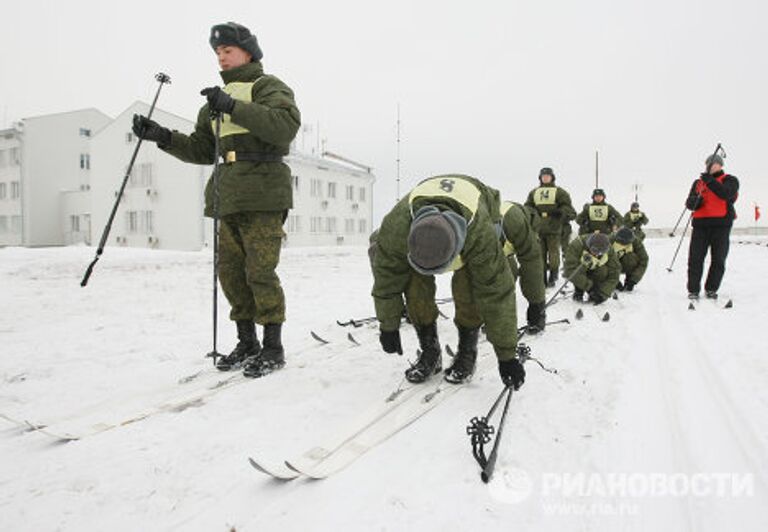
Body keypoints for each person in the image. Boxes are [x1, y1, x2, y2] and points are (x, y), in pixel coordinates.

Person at [132, 22, 301, 378]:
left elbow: (284, 125)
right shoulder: (213, 102)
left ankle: (273, 347)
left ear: (248, 52)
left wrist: (233, 106)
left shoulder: (266, 86)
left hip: (263, 193)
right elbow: (201, 148)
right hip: (228, 195)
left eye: (227, 51)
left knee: (260, 273)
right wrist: (162, 136)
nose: (221, 58)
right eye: (217, 53)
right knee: (231, 275)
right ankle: (247, 341)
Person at [371, 175, 526, 388]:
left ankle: (467, 352)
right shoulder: (396, 227)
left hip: (477, 210)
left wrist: (507, 356)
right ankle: (430, 351)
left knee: (468, 287)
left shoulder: (480, 235)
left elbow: (496, 292)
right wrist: (388, 324)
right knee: (414, 285)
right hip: (425, 222)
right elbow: (387, 275)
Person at [685, 153, 739, 300]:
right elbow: (689, 204)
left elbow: (726, 194)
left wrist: (710, 182)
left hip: (721, 225)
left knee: (718, 259)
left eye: (714, 164)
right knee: (695, 258)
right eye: (709, 164)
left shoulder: (730, 180)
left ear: (720, 165)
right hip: (700, 225)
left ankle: (711, 288)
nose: (711, 166)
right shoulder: (698, 183)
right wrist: (696, 201)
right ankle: (693, 290)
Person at [524, 167, 576, 287]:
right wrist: (533, 212)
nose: (545, 178)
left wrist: (560, 212)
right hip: (539, 228)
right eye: (543, 176)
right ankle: (542, 277)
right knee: (540, 254)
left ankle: (553, 274)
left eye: (548, 176)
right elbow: (527, 207)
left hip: (554, 228)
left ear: (552, 177)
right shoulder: (534, 193)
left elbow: (568, 208)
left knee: (553, 254)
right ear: (540, 178)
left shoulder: (560, 192)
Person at [500, 201, 547, 333]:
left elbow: (532, 269)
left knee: (508, 276)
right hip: (494, 245)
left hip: (500, 244)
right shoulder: (515, 220)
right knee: (503, 281)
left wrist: (536, 306)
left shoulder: (518, 223)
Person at [564, 232, 620, 304]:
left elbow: (615, 272)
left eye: (601, 252)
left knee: (603, 270)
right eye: (595, 251)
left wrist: (604, 293)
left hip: (596, 270)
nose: (597, 254)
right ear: (589, 246)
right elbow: (569, 270)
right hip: (581, 271)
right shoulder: (577, 245)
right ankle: (579, 289)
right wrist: (589, 287)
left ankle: (596, 293)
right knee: (580, 268)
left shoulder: (609, 248)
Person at [611, 226, 648, 292]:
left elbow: (644, 260)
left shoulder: (636, 242)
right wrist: (613, 281)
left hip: (625, 263)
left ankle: (629, 280)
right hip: (612, 265)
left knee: (631, 258)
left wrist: (633, 279)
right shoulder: (609, 240)